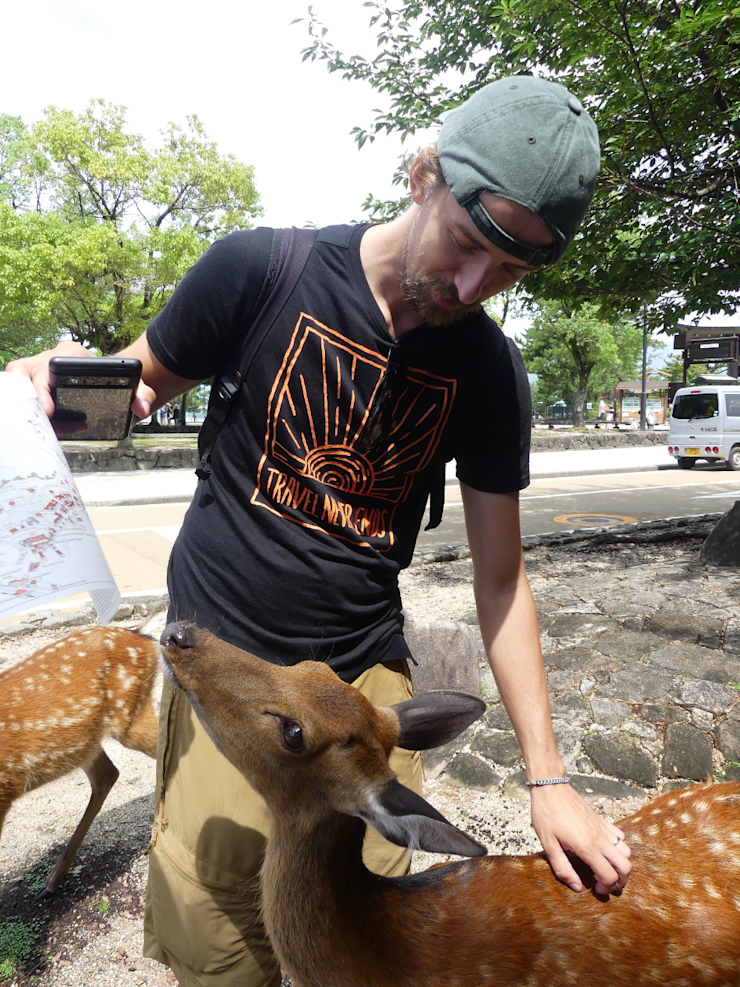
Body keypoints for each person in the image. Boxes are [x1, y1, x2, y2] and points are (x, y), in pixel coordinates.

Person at [9, 75, 631, 987]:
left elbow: (502, 583)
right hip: (231, 667)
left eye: (509, 271)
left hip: (360, 682)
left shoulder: (491, 374)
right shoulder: (262, 271)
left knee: (365, 932)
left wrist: (550, 778)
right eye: (467, 243)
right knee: (223, 933)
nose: (471, 285)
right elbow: (138, 385)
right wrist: (53, 391)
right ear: (423, 176)